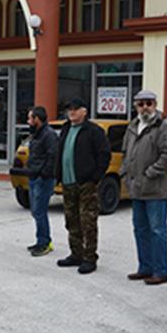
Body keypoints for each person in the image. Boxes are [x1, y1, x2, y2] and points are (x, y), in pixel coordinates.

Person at [121, 90, 167, 286]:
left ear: (155, 104)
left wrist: (150, 173)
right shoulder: (133, 126)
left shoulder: (163, 126)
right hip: (136, 189)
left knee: (157, 231)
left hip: (155, 189)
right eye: (141, 103)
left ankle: (160, 271)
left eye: (149, 103)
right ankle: (144, 267)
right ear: (135, 106)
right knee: (140, 230)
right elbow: (125, 152)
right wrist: (125, 173)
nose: (145, 107)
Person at [55, 98, 110, 274]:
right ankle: (76, 254)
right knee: (71, 220)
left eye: (75, 109)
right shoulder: (65, 128)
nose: (71, 112)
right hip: (68, 182)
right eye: (69, 109)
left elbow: (104, 156)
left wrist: (95, 178)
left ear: (84, 111)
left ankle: (89, 257)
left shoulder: (94, 131)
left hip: (86, 183)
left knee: (88, 221)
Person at [24, 107, 58, 257]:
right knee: (36, 211)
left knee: (40, 211)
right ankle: (41, 240)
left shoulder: (48, 135)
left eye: (30, 118)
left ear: (37, 119)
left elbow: (52, 156)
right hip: (34, 177)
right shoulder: (36, 134)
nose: (28, 121)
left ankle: (44, 243)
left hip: (43, 179)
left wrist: (44, 173)